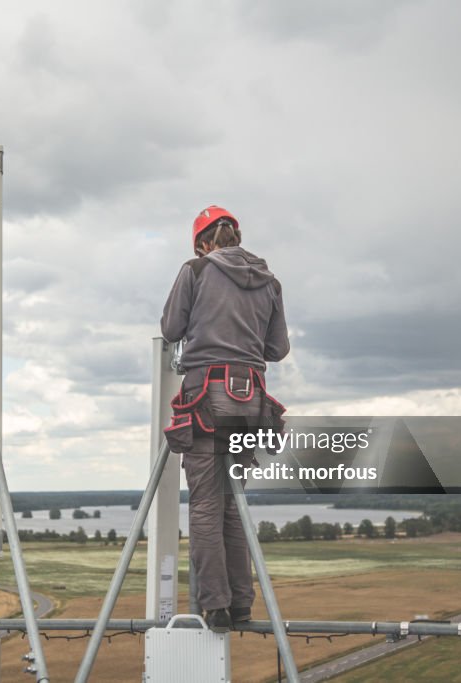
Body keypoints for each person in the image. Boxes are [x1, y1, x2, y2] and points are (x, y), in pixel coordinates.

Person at [160, 205, 289, 632]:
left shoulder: (196, 270)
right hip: (249, 401)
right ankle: (240, 605)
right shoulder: (269, 281)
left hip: (205, 400)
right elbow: (277, 349)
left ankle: (214, 606)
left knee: (205, 503)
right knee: (232, 503)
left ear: (203, 243)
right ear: (235, 235)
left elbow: (171, 328)